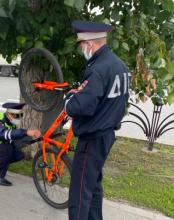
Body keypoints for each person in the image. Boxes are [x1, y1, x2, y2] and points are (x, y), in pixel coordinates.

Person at [65, 20, 130, 220]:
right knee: (93, 186)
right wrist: (83, 95)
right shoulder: (120, 65)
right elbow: (112, 99)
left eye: (82, 45)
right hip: (106, 134)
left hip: (92, 138)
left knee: (79, 194)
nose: (82, 49)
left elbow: (81, 106)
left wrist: (68, 101)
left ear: (90, 44)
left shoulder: (98, 68)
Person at [0, 102, 41, 186]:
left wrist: (32, 138)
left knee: (19, 155)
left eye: (21, 115)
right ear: (9, 114)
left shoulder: (10, 122)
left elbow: (13, 137)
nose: (19, 118)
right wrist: (27, 132)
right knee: (6, 149)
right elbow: (5, 134)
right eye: (16, 116)